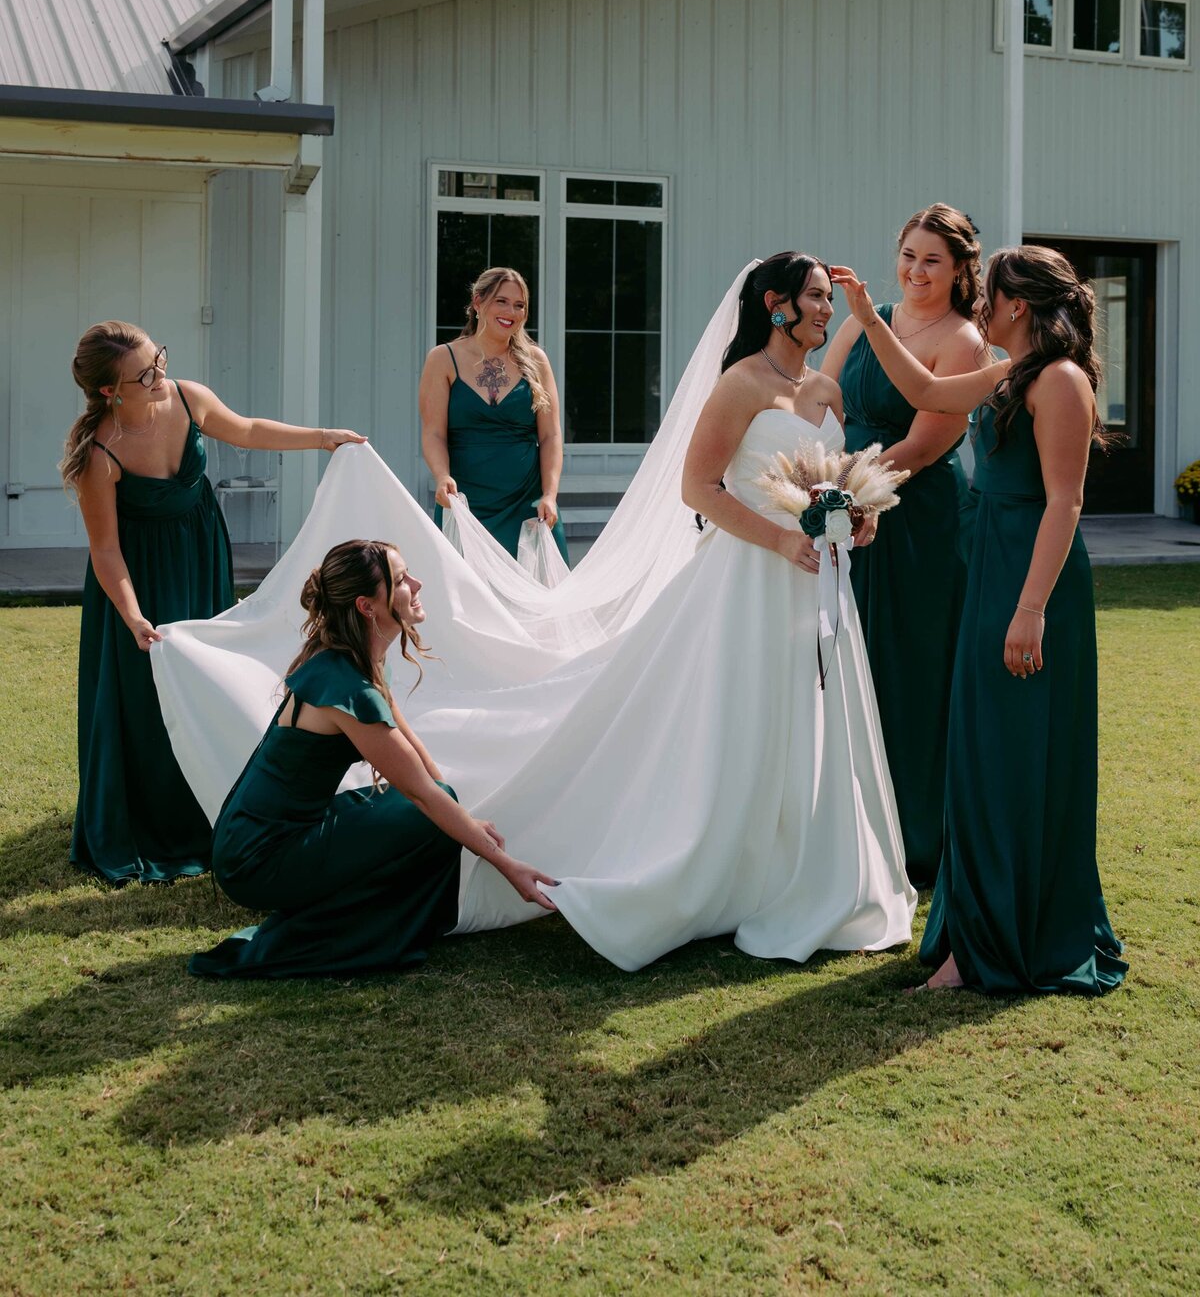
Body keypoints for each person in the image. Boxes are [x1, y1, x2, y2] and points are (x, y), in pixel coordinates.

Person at [157, 253, 916, 972]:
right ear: (776, 307)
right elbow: (700, 489)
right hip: (752, 576)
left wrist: (854, 516)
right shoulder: (740, 384)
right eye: (815, 295)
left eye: (826, 296)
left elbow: (833, 478)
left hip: (821, 585)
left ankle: (811, 864)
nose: (826, 308)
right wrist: (783, 540)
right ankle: (734, 865)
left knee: (815, 719)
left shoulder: (826, 392)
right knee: (745, 719)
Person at [832, 248, 1127, 996]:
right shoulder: (1009, 374)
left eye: (988, 295)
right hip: (988, 557)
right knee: (976, 747)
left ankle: (1002, 940)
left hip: (1032, 575)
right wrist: (868, 316)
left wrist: (1030, 612)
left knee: (1012, 752)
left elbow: (1065, 502)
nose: (979, 305)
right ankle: (972, 934)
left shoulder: (1058, 382)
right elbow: (926, 387)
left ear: (1017, 305)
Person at [61, 322, 365, 885]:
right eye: (145, 373)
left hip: (199, 553)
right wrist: (131, 615)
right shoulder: (99, 454)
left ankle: (212, 796)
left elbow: (246, 430)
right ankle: (156, 822)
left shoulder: (186, 397)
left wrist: (322, 437)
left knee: (204, 674)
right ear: (110, 391)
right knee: (144, 695)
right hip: (139, 576)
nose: (161, 375)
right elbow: (105, 551)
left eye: (160, 359)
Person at [190, 540, 557, 979]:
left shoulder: (347, 658)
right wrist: (506, 864)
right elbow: (420, 795)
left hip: (262, 836)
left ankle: (379, 923)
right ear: (367, 606)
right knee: (431, 816)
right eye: (401, 579)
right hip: (259, 858)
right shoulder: (349, 688)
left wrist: (455, 811)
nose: (417, 584)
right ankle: (361, 936)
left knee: (442, 809)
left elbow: (413, 752)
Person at [821, 204, 982, 886]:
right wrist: (811, 479)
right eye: (909, 255)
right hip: (840, 506)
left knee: (909, 671)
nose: (915, 271)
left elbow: (922, 444)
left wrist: (856, 489)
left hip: (916, 522)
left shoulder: (965, 341)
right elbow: (824, 398)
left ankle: (912, 836)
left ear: (960, 269)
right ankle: (838, 829)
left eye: (932, 260)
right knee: (836, 659)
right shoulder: (866, 316)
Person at [419, 267, 568, 564]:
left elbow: (550, 436)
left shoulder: (537, 361)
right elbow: (433, 432)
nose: (510, 311)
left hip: (527, 502)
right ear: (478, 302)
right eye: (501, 301)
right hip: (465, 501)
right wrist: (441, 476)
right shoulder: (442, 358)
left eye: (519, 305)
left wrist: (550, 495)